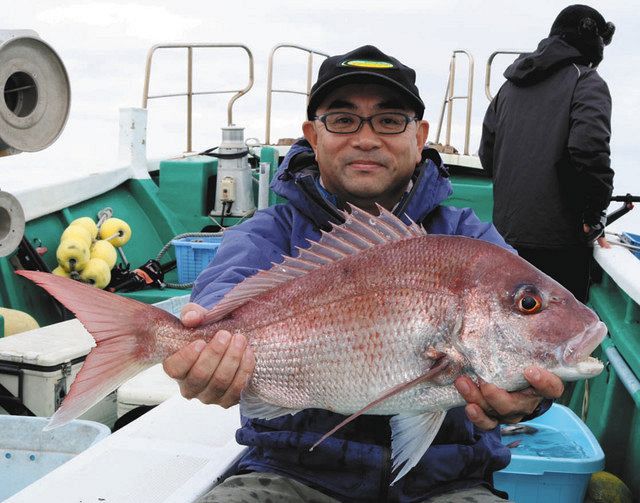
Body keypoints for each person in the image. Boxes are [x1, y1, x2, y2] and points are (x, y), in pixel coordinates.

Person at [163, 45, 564, 502]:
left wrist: (530, 400)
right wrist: (201, 358)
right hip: (289, 473)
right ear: (313, 136)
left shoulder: (470, 241)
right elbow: (218, 305)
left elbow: (528, 341)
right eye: (343, 119)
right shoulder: (267, 234)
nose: (367, 138)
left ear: (420, 137)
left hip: (447, 482)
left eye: (390, 120)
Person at [479, 4, 615, 303]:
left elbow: (487, 156)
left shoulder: (508, 87)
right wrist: (593, 216)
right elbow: (589, 152)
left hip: (504, 237)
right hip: (560, 245)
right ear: (592, 43)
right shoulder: (587, 82)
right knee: (560, 335)